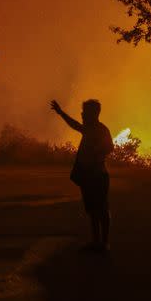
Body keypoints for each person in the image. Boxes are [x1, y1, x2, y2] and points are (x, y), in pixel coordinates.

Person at [50, 98, 114, 251]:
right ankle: (97, 242)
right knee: (93, 209)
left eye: (85, 112)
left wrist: (97, 153)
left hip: (97, 176)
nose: (82, 114)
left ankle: (104, 243)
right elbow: (75, 125)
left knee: (101, 209)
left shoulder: (99, 129)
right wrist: (60, 113)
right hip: (89, 176)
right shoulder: (89, 128)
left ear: (93, 113)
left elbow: (109, 147)